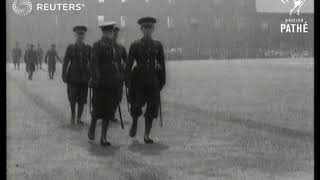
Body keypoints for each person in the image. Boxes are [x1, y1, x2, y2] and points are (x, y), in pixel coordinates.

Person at [125, 17, 166, 144]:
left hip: (153, 80)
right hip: (138, 80)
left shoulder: (158, 45)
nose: (147, 30)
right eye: (145, 28)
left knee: (153, 107)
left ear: (153, 29)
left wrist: (162, 81)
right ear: (141, 29)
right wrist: (127, 80)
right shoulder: (135, 45)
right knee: (136, 106)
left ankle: (146, 134)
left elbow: (162, 64)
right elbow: (129, 64)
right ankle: (135, 123)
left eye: (150, 28)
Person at [88, 21, 122, 146]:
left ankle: (103, 137)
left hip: (112, 83)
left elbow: (117, 62)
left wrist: (118, 75)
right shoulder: (97, 45)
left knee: (108, 111)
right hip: (101, 83)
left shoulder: (114, 46)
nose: (110, 34)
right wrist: (97, 77)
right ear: (104, 33)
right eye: (108, 32)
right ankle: (92, 127)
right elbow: (93, 62)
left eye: (111, 32)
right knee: (97, 109)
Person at [62, 25, 91, 125]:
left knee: (82, 99)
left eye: (82, 34)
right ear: (75, 35)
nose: (80, 36)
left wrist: (92, 75)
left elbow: (92, 63)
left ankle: (79, 118)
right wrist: (64, 74)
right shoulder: (70, 48)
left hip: (84, 78)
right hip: (73, 78)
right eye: (78, 34)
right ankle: (73, 115)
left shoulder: (88, 48)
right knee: (72, 98)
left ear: (84, 35)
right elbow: (65, 62)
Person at [111, 26, 127, 122]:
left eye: (116, 34)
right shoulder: (103, 46)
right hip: (107, 76)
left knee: (118, 96)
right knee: (108, 96)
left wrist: (124, 71)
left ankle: (112, 114)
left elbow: (127, 61)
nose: (115, 36)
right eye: (113, 33)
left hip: (118, 77)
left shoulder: (121, 48)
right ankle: (108, 115)